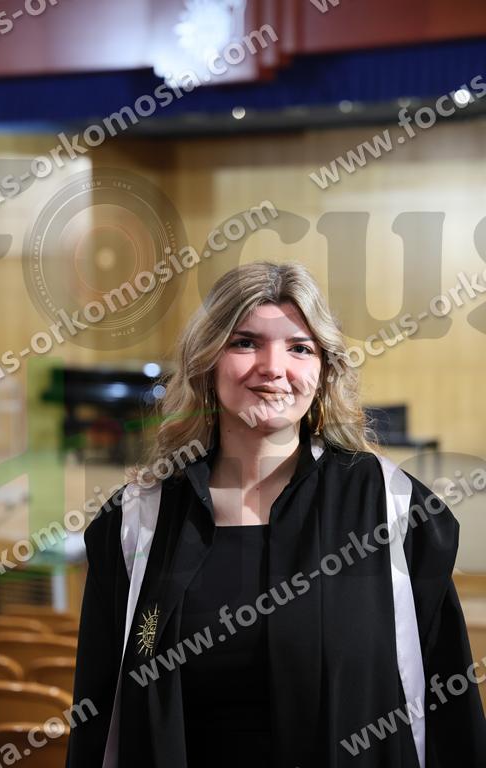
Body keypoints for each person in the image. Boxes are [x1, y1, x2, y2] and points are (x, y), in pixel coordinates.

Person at [65, 260, 486, 768]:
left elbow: (451, 719)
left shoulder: (392, 507)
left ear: (324, 371)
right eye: (245, 343)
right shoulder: (137, 520)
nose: (273, 367)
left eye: (299, 348)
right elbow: (98, 722)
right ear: (207, 361)